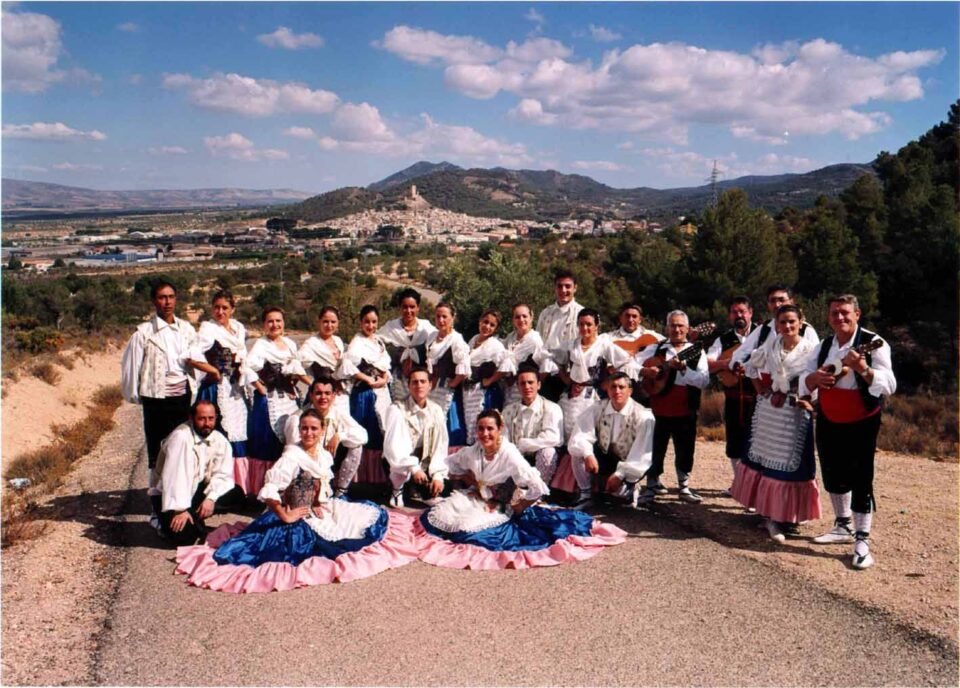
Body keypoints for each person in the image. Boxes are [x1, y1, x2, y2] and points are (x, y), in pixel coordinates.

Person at [175, 409, 418, 593]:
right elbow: (269, 489)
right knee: (320, 548)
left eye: (313, 428)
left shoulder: (322, 454)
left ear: (322, 430)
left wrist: (319, 503)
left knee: (370, 518)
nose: (309, 433)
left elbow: (321, 485)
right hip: (294, 514)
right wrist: (284, 514)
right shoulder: (291, 456)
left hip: (316, 508)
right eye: (304, 428)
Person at [413, 409, 627, 570]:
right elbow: (450, 462)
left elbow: (537, 486)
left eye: (490, 429)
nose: (485, 434)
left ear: (500, 430)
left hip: (502, 505)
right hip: (478, 497)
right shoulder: (473, 451)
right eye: (481, 428)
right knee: (440, 516)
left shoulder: (510, 454)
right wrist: (453, 476)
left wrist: (520, 506)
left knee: (466, 529)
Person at [801, 295, 896, 570]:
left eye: (844, 313)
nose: (839, 318)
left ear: (857, 314)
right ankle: (842, 526)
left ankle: (862, 540)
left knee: (861, 476)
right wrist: (814, 379)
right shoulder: (822, 347)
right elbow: (804, 381)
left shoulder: (874, 343)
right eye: (834, 314)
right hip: (830, 416)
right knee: (832, 470)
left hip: (861, 418)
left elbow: (889, 384)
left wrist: (863, 368)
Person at [730, 305, 820, 542]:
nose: (787, 327)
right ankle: (770, 516)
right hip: (769, 410)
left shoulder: (812, 350)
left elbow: (816, 382)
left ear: (801, 321)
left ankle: (785, 516)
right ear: (776, 324)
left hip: (795, 413)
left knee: (789, 462)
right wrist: (762, 391)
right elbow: (751, 367)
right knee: (764, 458)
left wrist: (808, 401)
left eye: (792, 321)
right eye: (782, 322)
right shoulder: (771, 344)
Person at [121, 280, 202, 523]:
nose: (166, 302)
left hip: (182, 398)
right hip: (156, 400)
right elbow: (131, 368)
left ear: (176, 299)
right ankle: (158, 509)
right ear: (154, 301)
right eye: (161, 297)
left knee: (184, 448)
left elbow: (196, 361)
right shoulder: (144, 333)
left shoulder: (187, 330)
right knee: (158, 453)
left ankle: (184, 503)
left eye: (170, 297)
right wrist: (139, 396)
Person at [638, 310, 710, 504]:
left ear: (688, 329)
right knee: (655, 447)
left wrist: (685, 369)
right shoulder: (655, 348)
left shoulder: (696, 350)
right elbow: (632, 363)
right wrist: (646, 371)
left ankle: (683, 486)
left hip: (685, 407)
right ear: (667, 327)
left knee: (685, 447)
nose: (676, 329)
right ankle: (652, 485)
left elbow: (704, 380)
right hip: (658, 407)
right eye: (673, 325)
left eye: (680, 326)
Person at [191, 290, 257, 495]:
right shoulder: (208, 329)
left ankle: (237, 488)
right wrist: (212, 370)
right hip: (215, 390)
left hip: (236, 390)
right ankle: (210, 490)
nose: (220, 312)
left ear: (232, 309)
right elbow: (191, 356)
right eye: (216, 307)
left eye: (225, 308)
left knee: (238, 434)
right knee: (214, 436)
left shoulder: (238, 328)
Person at [244, 307, 310, 495]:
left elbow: (295, 367)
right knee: (268, 443)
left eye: (278, 321)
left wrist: (293, 383)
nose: (275, 325)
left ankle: (288, 487)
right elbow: (247, 368)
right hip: (268, 400)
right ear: (264, 325)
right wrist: (260, 388)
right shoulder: (260, 345)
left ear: (283, 323)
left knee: (291, 438)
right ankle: (266, 490)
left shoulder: (289, 343)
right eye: (270, 321)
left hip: (289, 398)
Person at [151, 400, 236, 544]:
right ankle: (161, 521)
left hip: (195, 490)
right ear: (192, 418)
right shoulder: (181, 437)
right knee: (185, 539)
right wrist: (180, 510)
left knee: (235, 494)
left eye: (211, 418)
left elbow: (223, 474)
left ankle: (196, 518)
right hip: (169, 497)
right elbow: (175, 478)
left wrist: (210, 499)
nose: (207, 423)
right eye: (201, 419)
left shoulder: (219, 440)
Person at [567, 372, 656, 508]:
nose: (617, 391)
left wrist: (620, 475)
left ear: (630, 391)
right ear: (607, 390)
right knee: (578, 453)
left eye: (621, 387)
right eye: (613, 387)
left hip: (626, 462)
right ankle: (586, 494)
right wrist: (588, 454)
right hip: (603, 456)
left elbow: (641, 453)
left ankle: (630, 490)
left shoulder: (643, 416)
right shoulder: (597, 408)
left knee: (618, 498)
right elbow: (580, 433)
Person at [555, 309, 636, 446]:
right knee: (567, 430)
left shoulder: (604, 345)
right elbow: (556, 362)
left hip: (594, 395)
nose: (584, 328)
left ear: (596, 326)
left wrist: (609, 382)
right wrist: (567, 380)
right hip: (572, 394)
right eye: (581, 324)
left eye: (588, 324)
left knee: (589, 433)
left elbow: (625, 361)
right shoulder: (570, 345)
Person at [284, 377, 368, 498]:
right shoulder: (297, 419)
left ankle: (341, 491)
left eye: (327, 393)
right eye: (318, 393)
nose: (323, 397)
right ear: (311, 395)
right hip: (305, 468)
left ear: (333, 396)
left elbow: (363, 435)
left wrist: (339, 436)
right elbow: (294, 453)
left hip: (330, 463)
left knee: (356, 445)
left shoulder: (337, 413)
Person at [706, 296, 758, 488]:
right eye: (735, 312)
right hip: (734, 398)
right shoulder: (724, 339)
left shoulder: (763, 335)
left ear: (750, 313)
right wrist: (727, 364)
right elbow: (709, 364)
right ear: (729, 316)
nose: (739, 315)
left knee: (758, 443)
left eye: (742, 311)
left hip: (759, 398)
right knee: (735, 441)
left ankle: (756, 487)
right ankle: (740, 484)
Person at [382, 366, 450, 508]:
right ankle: (397, 489)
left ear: (430, 385)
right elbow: (395, 446)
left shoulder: (436, 410)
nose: (419, 385)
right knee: (400, 469)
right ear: (409, 386)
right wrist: (414, 468)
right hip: (400, 460)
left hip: (424, 458)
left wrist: (438, 475)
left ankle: (420, 490)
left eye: (423, 381)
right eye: (415, 382)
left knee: (434, 493)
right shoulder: (397, 409)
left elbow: (440, 444)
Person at [729, 285, 818, 378]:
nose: (777, 304)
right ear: (768, 304)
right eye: (772, 301)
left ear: (791, 301)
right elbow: (739, 355)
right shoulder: (763, 330)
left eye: (781, 300)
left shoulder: (806, 330)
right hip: (768, 390)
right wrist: (738, 366)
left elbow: (816, 363)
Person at [339, 305, 392, 453]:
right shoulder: (357, 342)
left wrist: (384, 378)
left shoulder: (378, 341)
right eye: (367, 322)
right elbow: (348, 367)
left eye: (374, 322)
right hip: (364, 394)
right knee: (365, 430)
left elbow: (385, 364)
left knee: (382, 429)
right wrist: (368, 379)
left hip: (381, 390)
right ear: (361, 322)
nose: (371, 326)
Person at [501, 366, 564, 485]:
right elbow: (503, 439)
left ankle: (539, 490)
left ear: (538, 385)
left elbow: (554, 438)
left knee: (548, 452)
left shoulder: (552, 408)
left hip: (539, 456)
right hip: (517, 456)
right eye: (522, 383)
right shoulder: (508, 410)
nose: (527, 387)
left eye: (530, 382)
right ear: (518, 387)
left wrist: (526, 444)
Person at [424, 302, 471, 447]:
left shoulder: (456, 340)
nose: (441, 320)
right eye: (438, 316)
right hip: (433, 388)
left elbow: (464, 367)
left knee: (447, 424)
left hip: (447, 390)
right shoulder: (432, 336)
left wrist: (453, 383)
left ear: (452, 317)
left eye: (445, 316)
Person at [377, 288, 436, 402]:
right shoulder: (391, 327)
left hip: (420, 380)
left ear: (418, 308)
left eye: (412, 307)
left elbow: (441, 342)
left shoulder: (426, 328)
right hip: (399, 379)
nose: (408, 311)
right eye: (405, 307)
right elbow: (374, 340)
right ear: (400, 307)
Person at [536, 269, 583, 401]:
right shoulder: (546, 313)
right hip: (545, 372)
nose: (563, 290)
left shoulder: (582, 314)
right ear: (555, 288)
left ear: (575, 288)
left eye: (567, 286)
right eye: (559, 286)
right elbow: (538, 341)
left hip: (568, 374)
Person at [498, 302, 557, 407]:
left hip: (524, 390)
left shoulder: (534, 340)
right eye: (517, 317)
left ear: (531, 317)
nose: (521, 320)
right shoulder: (511, 338)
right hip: (508, 390)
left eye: (524, 316)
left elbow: (544, 367)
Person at [462, 309, 507, 444]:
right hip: (468, 390)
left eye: (492, 325)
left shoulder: (495, 345)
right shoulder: (473, 340)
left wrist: (490, 380)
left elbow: (506, 366)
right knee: (469, 424)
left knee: (482, 425)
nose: (487, 326)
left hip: (483, 392)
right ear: (480, 321)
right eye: (485, 322)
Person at [298, 306, 348, 415]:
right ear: (319, 322)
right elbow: (295, 366)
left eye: (333, 322)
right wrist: (312, 383)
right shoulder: (312, 343)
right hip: (322, 397)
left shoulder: (338, 341)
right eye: (325, 321)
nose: (329, 325)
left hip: (341, 394)